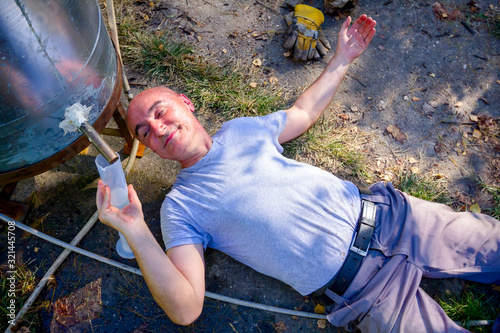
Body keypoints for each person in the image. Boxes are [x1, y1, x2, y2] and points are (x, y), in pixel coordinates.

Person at [96, 14, 500, 332]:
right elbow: (185, 309)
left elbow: (302, 114)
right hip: (366, 293)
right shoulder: (179, 209)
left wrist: (342, 58)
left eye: (160, 112)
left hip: (394, 218)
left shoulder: (242, 130)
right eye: (144, 132)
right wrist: (136, 231)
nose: (158, 129)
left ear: (186, 103)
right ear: (145, 148)